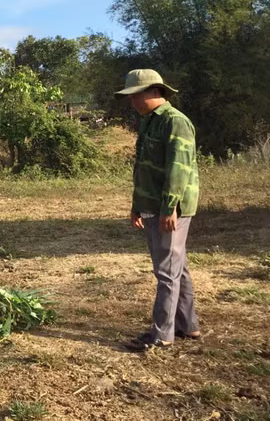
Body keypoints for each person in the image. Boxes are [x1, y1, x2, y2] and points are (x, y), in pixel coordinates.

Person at [115, 69, 202, 351]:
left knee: (166, 271)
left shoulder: (175, 122)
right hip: (152, 205)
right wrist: (137, 206)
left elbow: (179, 169)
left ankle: (162, 335)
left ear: (154, 91)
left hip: (169, 208)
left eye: (135, 95)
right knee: (176, 267)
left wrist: (169, 208)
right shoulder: (150, 122)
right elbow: (143, 169)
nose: (132, 101)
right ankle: (187, 325)